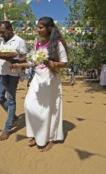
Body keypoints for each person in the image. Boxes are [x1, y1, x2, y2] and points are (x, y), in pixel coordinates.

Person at [11, 16, 68, 152]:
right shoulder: (38, 44)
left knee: (48, 110)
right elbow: (33, 62)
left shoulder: (57, 44)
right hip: (37, 79)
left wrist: (51, 63)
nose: (38, 30)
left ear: (49, 28)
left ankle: (50, 138)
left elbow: (64, 63)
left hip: (51, 79)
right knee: (29, 105)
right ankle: (37, 134)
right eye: (37, 27)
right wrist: (18, 65)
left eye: (40, 27)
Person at [0, 21, 27, 141]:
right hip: (1, 73)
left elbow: (24, 58)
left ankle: (7, 129)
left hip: (13, 74)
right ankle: (13, 117)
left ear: (11, 29)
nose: (1, 34)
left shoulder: (19, 41)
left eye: (3, 32)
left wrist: (13, 60)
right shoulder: (2, 41)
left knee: (11, 100)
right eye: (0, 32)